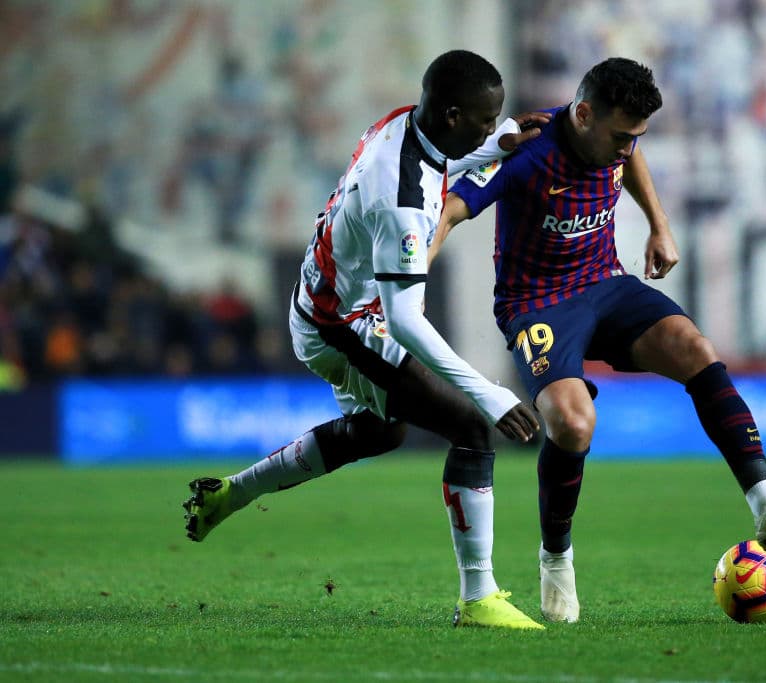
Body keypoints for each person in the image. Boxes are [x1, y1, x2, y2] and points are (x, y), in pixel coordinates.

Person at [432, 58, 766, 624]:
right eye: (620, 136)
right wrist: (409, 284)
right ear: (584, 113)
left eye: (635, 137)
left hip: (604, 284)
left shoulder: (615, 141)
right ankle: (556, 558)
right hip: (537, 305)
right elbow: (450, 211)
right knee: (572, 424)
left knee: (696, 349)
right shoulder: (526, 149)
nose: (627, 149)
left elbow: (632, 159)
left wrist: (659, 225)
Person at [182, 50, 552, 630]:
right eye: (484, 119)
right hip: (341, 326)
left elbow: (444, 160)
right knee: (473, 426)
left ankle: (231, 492)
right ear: (452, 114)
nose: (490, 125)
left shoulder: (404, 123)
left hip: (328, 304)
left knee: (380, 433)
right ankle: (478, 599)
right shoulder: (399, 201)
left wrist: (498, 141)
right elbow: (405, 322)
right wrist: (491, 393)